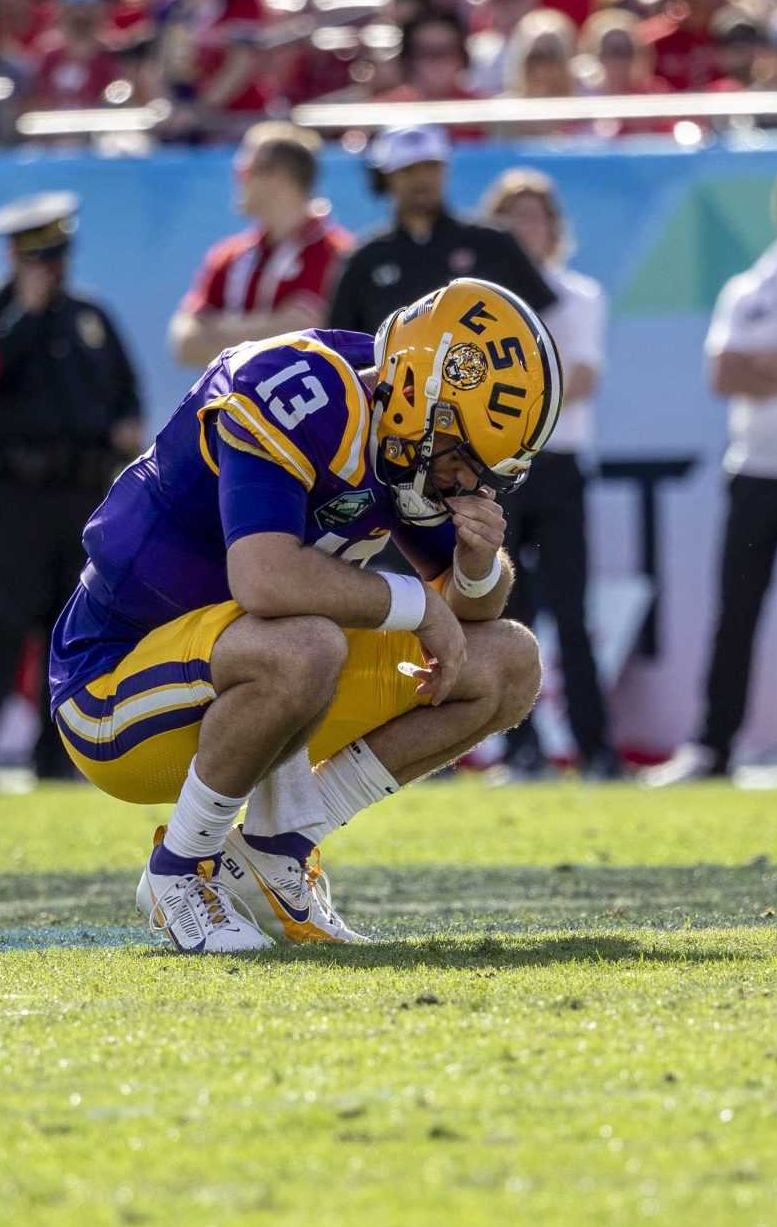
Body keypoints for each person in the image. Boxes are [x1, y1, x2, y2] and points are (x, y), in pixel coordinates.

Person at [48, 278, 554, 951]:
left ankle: (281, 845)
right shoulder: (293, 389)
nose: (465, 482)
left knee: (509, 662)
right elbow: (263, 577)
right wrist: (416, 603)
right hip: (113, 687)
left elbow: (472, 615)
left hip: (251, 682)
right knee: (305, 643)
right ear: (413, 392)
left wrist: (476, 563)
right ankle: (181, 867)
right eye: (461, 457)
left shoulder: (402, 436)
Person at [654, 161, 777, 785]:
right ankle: (714, 745)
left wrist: (770, 366)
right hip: (759, 470)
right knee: (738, 612)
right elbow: (724, 374)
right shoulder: (751, 289)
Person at [0, 193, 145, 779]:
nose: (53, 269)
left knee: (71, 627)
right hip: (13, 492)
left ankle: (58, 756)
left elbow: (126, 398)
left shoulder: (90, 316)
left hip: (81, 492)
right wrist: (25, 316)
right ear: (15, 256)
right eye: (41, 258)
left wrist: (124, 430)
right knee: (7, 621)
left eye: (59, 256)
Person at [479, 168, 616, 779]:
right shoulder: (480, 306)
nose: (523, 229)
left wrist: (509, 397)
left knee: (571, 608)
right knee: (506, 610)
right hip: (501, 470)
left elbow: (583, 380)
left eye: (534, 216)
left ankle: (595, 748)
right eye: (511, 217)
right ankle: (520, 745)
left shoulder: (578, 294)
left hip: (555, 465)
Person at [324, 125, 556, 340]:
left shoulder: (492, 243)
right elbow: (344, 342)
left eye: (431, 166)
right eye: (408, 170)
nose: (422, 179)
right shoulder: (363, 260)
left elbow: (541, 321)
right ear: (385, 178)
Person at [168, 123, 350, 367]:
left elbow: (304, 335)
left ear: (280, 178)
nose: (237, 181)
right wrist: (272, 328)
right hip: (235, 404)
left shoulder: (338, 253)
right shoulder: (229, 255)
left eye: (244, 171)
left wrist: (217, 329)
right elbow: (184, 343)